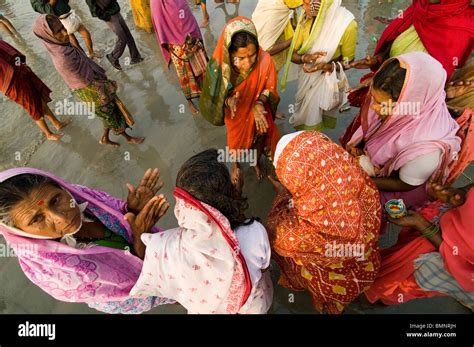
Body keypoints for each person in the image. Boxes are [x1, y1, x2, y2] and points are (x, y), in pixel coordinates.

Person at [0, 167, 173, 314]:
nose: (61, 217)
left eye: (56, 200)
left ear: (63, 188)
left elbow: (119, 213)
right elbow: (135, 289)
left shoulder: (81, 197)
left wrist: (132, 209)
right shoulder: (50, 271)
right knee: (181, 293)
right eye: (36, 219)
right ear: (19, 232)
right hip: (155, 288)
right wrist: (140, 238)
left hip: (167, 258)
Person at [130, 149, 273, 314]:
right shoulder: (254, 232)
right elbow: (263, 267)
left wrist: (139, 231)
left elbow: (144, 266)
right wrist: (236, 198)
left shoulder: (166, 246)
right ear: (229, 193)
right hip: (253, 305)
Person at [267, 131, 381, 314]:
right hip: (365, 268)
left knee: (326, 301)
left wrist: (283, 195)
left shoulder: (299, 234)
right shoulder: (365, 185)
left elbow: (276, 234)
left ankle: (328, 306)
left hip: (329, 282)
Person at [341, 0, 473, 144]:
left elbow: (432, 89)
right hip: (381, 98)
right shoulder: (421, 6)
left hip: (406, 117)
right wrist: (378, 60)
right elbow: (395, 43)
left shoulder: (463, 28)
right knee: (356, 145)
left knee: (377, 153)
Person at [345, 52, 464, 212]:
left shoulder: (425, 152)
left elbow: (405, 184)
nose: (373, 107)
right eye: (374, 98)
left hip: (400, 185)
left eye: (381, 103)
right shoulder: (406, 107)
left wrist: (361, 179)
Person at [33, 15, 145, 147]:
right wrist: (103, 87)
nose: (65, 33)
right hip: (89, 89)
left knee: (107, 113)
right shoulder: (62, 58)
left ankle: (104, 138)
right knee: (111, 114)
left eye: (63, 28)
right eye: (59, 32)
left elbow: (84, 63)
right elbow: (81, 80)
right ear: (48, 36)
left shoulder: (63, 45)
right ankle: (128, 138)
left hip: (92, 82)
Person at [364, 182, 474, 310]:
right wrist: (457, 196)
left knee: (386, 289)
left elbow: (463, 266)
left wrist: (421, 224)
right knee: (380, 269)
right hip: (433, 227)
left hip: (434, 262)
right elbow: (468, 190)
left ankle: (361, 302)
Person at [200, 17, 281, 181]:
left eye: (252, 55)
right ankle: (235, 164)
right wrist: (228, 101)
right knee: (235, 143)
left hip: (258, 112)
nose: (248, 63)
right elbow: (214, 96)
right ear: (229, 54)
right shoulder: (220, 69)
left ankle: (255, 162)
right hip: (236, 114)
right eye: (240, 58)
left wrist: (259, 103)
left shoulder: (264, 61)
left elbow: (270, 88)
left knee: (260, 137)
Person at [281, 0, 357, 130]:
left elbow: (347, 62)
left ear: (319, 4)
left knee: (313, 119)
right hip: (306, 78)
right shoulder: (306, 19)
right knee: (303, 115)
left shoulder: (346, 25)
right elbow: (292, 55)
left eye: (306, 3)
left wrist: (326, 66)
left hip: (325, 80)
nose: (302, 6)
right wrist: (305, 58)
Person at [0, 40, 68, 141]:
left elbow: (10, 50)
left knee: (39, 99)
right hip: (11, 82)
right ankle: (48, 134)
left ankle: (57, 123)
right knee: (32, 106)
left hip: (19, 69)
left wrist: (22, 63)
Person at [150, 0, 207, 115]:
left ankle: (208, 92)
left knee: (202, 65)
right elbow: (158, 19)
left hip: (190, 32)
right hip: (174, 39)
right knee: (185, 73)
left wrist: (192, 31)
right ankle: (190, 101)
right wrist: (169, 40)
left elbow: (184, 9)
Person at [85, 0, 143, 70]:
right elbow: (93, 10)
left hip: (115, 10)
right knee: (122, 38)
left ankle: (135, 57)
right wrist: (105, 16)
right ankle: (113, 57)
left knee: (128, 35)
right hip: (109, 15)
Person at [31, 0, 97, 58]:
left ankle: (89, 55)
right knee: (77, 38)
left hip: (65, 15)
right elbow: (45, 10)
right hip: (61, 18)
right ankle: (88, 55)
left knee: (78, 38)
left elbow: (45, 10)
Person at [251, 0, 302, 71]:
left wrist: (304, 59)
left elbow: (290, 53)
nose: (301, 6)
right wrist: (295, 37)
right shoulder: (273, 14)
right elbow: (267, 49)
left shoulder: (283, 10)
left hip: (271, 68)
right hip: (262, 70)